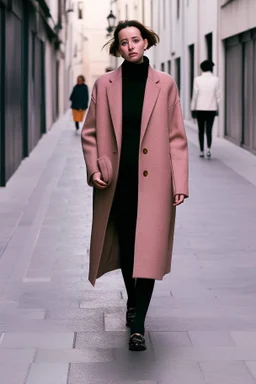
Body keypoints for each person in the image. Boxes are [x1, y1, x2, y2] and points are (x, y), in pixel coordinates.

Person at [81, 20, 189, 352]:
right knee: (129, 249)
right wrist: (94, 168)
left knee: (150, 251)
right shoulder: (104, 85)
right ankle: (132, 301)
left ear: (146, 42)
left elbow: (176, 137)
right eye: (124, 42)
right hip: (118, 183)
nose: (131, 46)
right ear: (118, 48)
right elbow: (90, 133)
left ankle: (138, 324)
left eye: (136, 40)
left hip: (155, 183)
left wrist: (180, 181)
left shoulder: (165, 84)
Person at [191, 60, 220, 158]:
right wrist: (217, 108)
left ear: (201, 68)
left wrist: (192, 108)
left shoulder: (197, 79)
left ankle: (201, 151)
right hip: (211, 108)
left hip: (200, 108)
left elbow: (195, 95)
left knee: (200, 130)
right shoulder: (216, 79)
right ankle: (209, 149)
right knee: (209, 130)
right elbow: (218, 96)